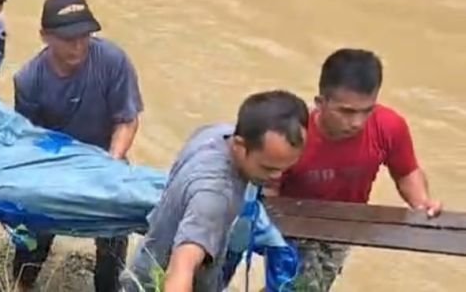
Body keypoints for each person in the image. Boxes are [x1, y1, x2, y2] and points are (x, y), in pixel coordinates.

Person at [270, 48, 442, 292]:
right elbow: (269, 189)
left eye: (367, 110)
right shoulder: (295, 136)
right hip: (292, 224)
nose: (357, 122)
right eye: (346, 112)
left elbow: (406, 172)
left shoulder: (389, 126)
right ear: (321, 103)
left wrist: (422, 203)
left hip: (344, 227)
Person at [12, 0, 143, 292]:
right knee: (34, 235)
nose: (78, 44)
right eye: (69, 38)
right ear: (45, 36)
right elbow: (30, 140)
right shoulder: (29, 79)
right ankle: (22, 284)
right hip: (54, 163)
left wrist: (111, 163)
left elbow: (127, 118)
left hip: (104, 159)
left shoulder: (112, 61)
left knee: (113, 239)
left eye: (84, 35)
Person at [121, 90, 309, 292]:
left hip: (149, 258)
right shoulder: (213, 197)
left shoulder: (215, 134)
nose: (277, 177)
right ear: (239, 145)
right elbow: (182, 267)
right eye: (268, 168)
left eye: (284, 168)